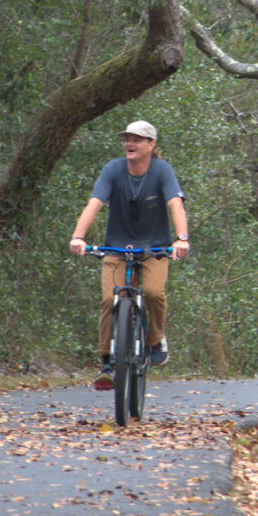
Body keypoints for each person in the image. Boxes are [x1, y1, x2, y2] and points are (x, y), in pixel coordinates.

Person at [69, 119, 190, 389]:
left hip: (155, 249)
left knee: (153, 293)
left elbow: (175, 205)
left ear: (151, 145)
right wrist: (78, 236)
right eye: (127, 139)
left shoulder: (162, 171)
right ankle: (107, 363)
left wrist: (181, 239)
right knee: (109, 300)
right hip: (116, 248)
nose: (129, 143)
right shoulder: (113, 170)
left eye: (136, 139)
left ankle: (155, 339)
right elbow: (94, 203)